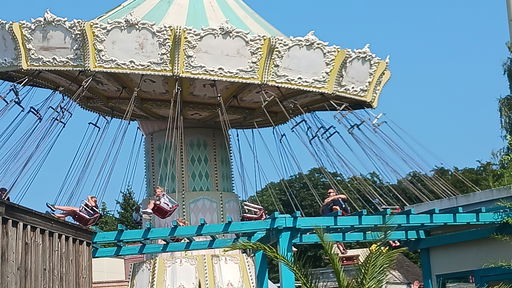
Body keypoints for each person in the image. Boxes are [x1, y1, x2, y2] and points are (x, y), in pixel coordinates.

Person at [321, 189, 349, 254]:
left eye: (330, 192)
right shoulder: (327, 202)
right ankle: (342, 249)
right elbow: (324, 205)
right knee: (336, 233)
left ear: (334, 193)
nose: (328, 194)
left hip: (341, 215)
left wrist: (333, 198)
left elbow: (344, 196)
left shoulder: (338, 198)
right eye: (328, 193)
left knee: (335, 206)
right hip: (332, 218)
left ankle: (342, 248)